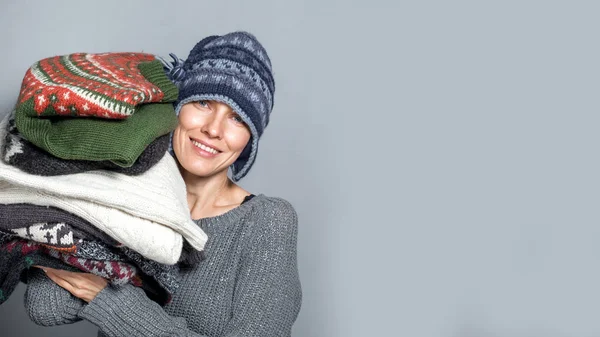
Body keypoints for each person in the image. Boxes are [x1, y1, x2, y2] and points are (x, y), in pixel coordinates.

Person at [25, 31, 302, 337]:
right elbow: (46, 305)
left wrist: (111, 302)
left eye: (237, 118)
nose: (213, 129)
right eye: (203, 103)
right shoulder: (133, 196)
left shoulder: (267, 221)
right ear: (177, 108)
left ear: (249, 140)